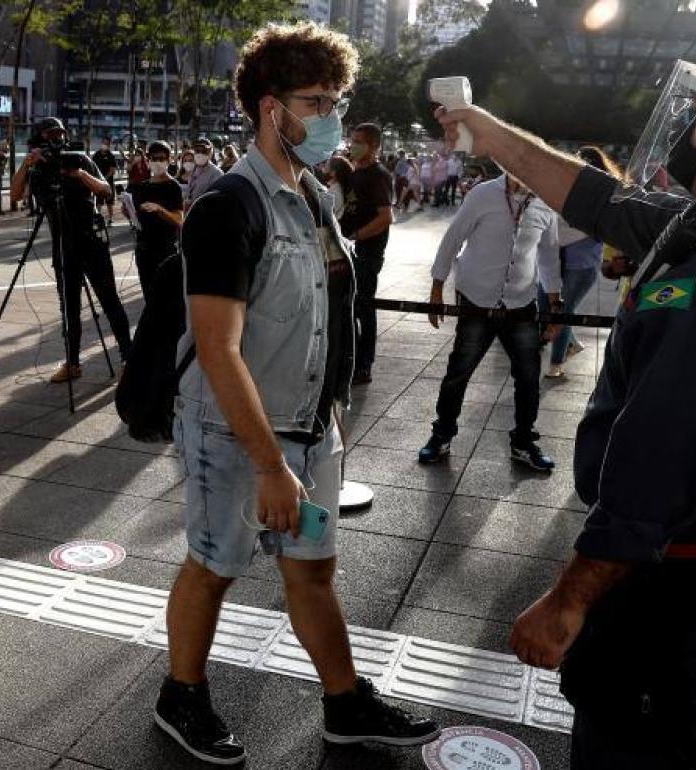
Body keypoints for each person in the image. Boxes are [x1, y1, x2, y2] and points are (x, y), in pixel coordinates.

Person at [437, 28, 696, 768]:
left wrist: (569, 599)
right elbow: (602, 199)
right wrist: (490, 131)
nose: (690, 115)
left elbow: (664, 459)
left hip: (675, 589)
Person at [159, 22, 440, 766]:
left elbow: (324, 314)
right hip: (235, 432)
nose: (332, 117)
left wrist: (329, 414)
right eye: (316, 101)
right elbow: (217, 350)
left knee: (313, 567)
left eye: (336, 100)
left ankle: (345, 704)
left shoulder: (315, 196)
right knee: (215, 564)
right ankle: (180, 694)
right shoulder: (230, 205)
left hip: (312, 429)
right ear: (268, 107)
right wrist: (268, 463)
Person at [418, 172, 560, 471]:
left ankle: (523, 441)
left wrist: (555, 303)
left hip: (520, 303)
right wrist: (436, 287)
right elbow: (453, 237)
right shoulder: (483, 194)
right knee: (459, 371)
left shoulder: (545, 202)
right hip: (477, 299)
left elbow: (548, 255)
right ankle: (441, 435)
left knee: (528, 377)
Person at [10, 118, 132, 380]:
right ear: (40, 139)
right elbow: (15, 195)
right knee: (69, 308)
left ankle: (128, 358)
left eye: (61, 134)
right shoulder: (38, 169)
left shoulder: (80, 159)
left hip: (91, 241)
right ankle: (72, 363)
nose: (57, 139)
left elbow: (106, 190)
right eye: (52, 135)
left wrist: (80, 174)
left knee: (109, 300)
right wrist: (26, 163)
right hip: (63, 245)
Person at [543, 146, 622, 378]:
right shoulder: (572, 191)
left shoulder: (605, 196)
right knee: (551, 307)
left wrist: (555, 236)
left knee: (562, 311)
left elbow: (580, 229)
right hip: (558, 262)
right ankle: (571, 343)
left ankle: (556, 363)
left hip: (582, 266)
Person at [338, 122, 393, 386]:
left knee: (364, 308)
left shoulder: (378, 174)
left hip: (366, 253)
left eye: (360, 141)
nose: (353, 144)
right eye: (352, 139)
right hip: (349, 249)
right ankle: (350, 360)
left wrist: (356, 237)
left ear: (373, 146)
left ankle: (364, 365)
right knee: (350, 307)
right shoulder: (356, 171)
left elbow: (385, 217)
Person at [128, 140, 184, 302]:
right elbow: (137, 216)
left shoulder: (173, 187)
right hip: (144, 248)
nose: (158, 163)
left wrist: (160, 209)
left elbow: (179, 220)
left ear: (169, 160)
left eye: (162, 159)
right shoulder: (142, 187)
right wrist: (129, 210)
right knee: (149, 296)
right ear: (148, 160)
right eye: (154, 159)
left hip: (165, 249)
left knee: (166, 297)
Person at [184, 135, 224, 210]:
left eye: (204, 151)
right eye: (197, 151)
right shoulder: (193, 170)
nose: (200, 154)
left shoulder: (216, 173)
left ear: (210, 153)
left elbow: (217, 200)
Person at [91, 136, 118, 224]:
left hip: (108, 182)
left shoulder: (111, 156)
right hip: (98, 182)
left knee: (109, 202)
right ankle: (97, 218)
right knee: (98, 202)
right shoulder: (96, 155)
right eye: (103, 143)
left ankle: (110, 219)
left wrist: (104, 179)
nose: (104, 145)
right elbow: (93, 167)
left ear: (109, 145)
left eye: (106, 144)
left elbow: (112, 170)